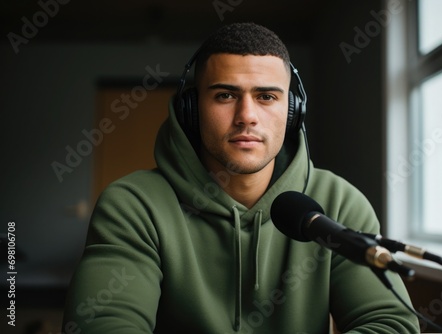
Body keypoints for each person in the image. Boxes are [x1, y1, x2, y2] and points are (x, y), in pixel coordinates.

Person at [62, 22, 420, 333]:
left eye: (266, 96)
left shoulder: (338, 201)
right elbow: (100, 324)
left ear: (293, 112)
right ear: (191, 109)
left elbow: (392, 324)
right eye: (224, 95)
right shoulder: (133, 204)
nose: (246, 115)